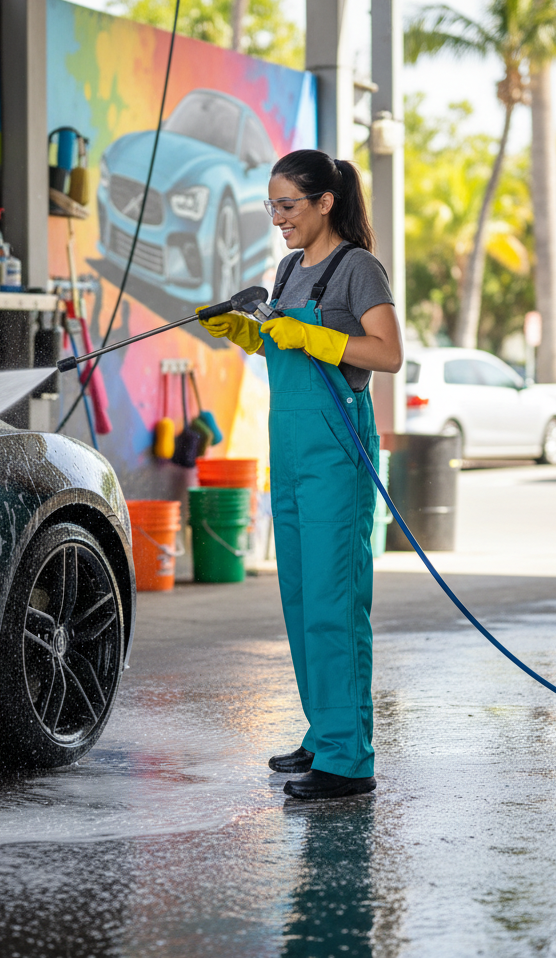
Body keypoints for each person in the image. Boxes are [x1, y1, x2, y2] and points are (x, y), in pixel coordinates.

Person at [201, 149, 403, 801]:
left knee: (334, 603)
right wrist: (246, 333)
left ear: (325, 203)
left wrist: (314, 337)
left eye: (288, 205)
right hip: (290, 450)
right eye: (273, 206)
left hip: (337, 451)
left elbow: (388, 354)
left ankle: (349, 760)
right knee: (301, 599)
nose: (278, 218)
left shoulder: (358, 268)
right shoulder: (289, 268)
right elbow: (281, 341)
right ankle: (324, 733)